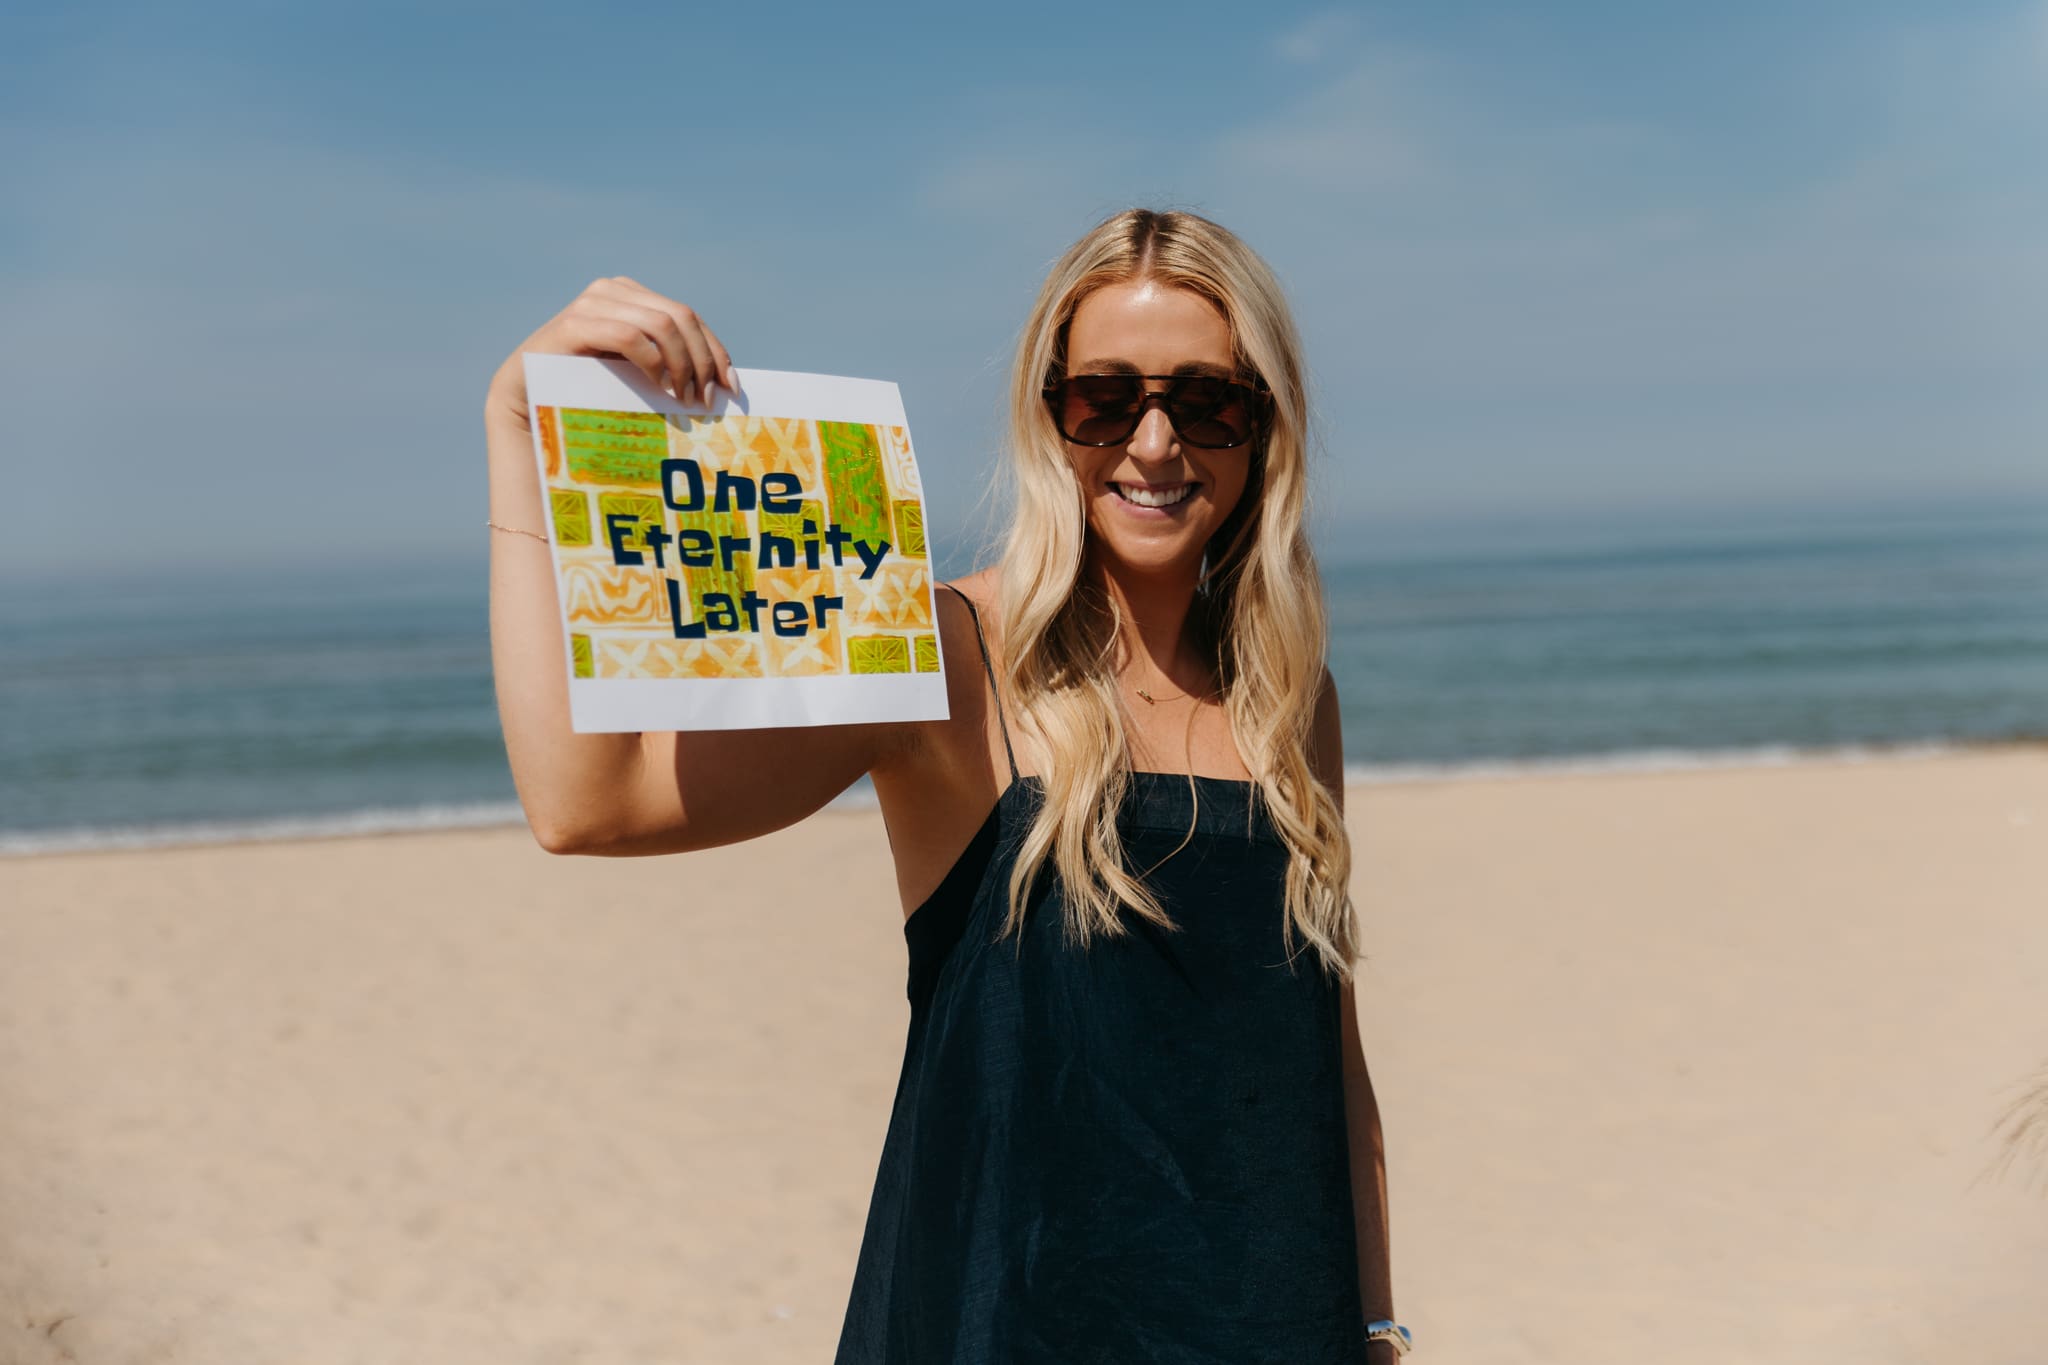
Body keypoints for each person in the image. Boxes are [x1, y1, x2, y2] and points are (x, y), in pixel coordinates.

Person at [482, 208, 1402, 1362]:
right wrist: (520, 428)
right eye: (1105, 399)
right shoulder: (941, 657)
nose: (1155, 444)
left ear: (1263, 427)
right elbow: (589, 806)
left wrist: (1374, 1324)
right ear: (1046, 415)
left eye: (1206, 399)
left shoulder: (1289, 696)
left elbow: (1330, 1062)